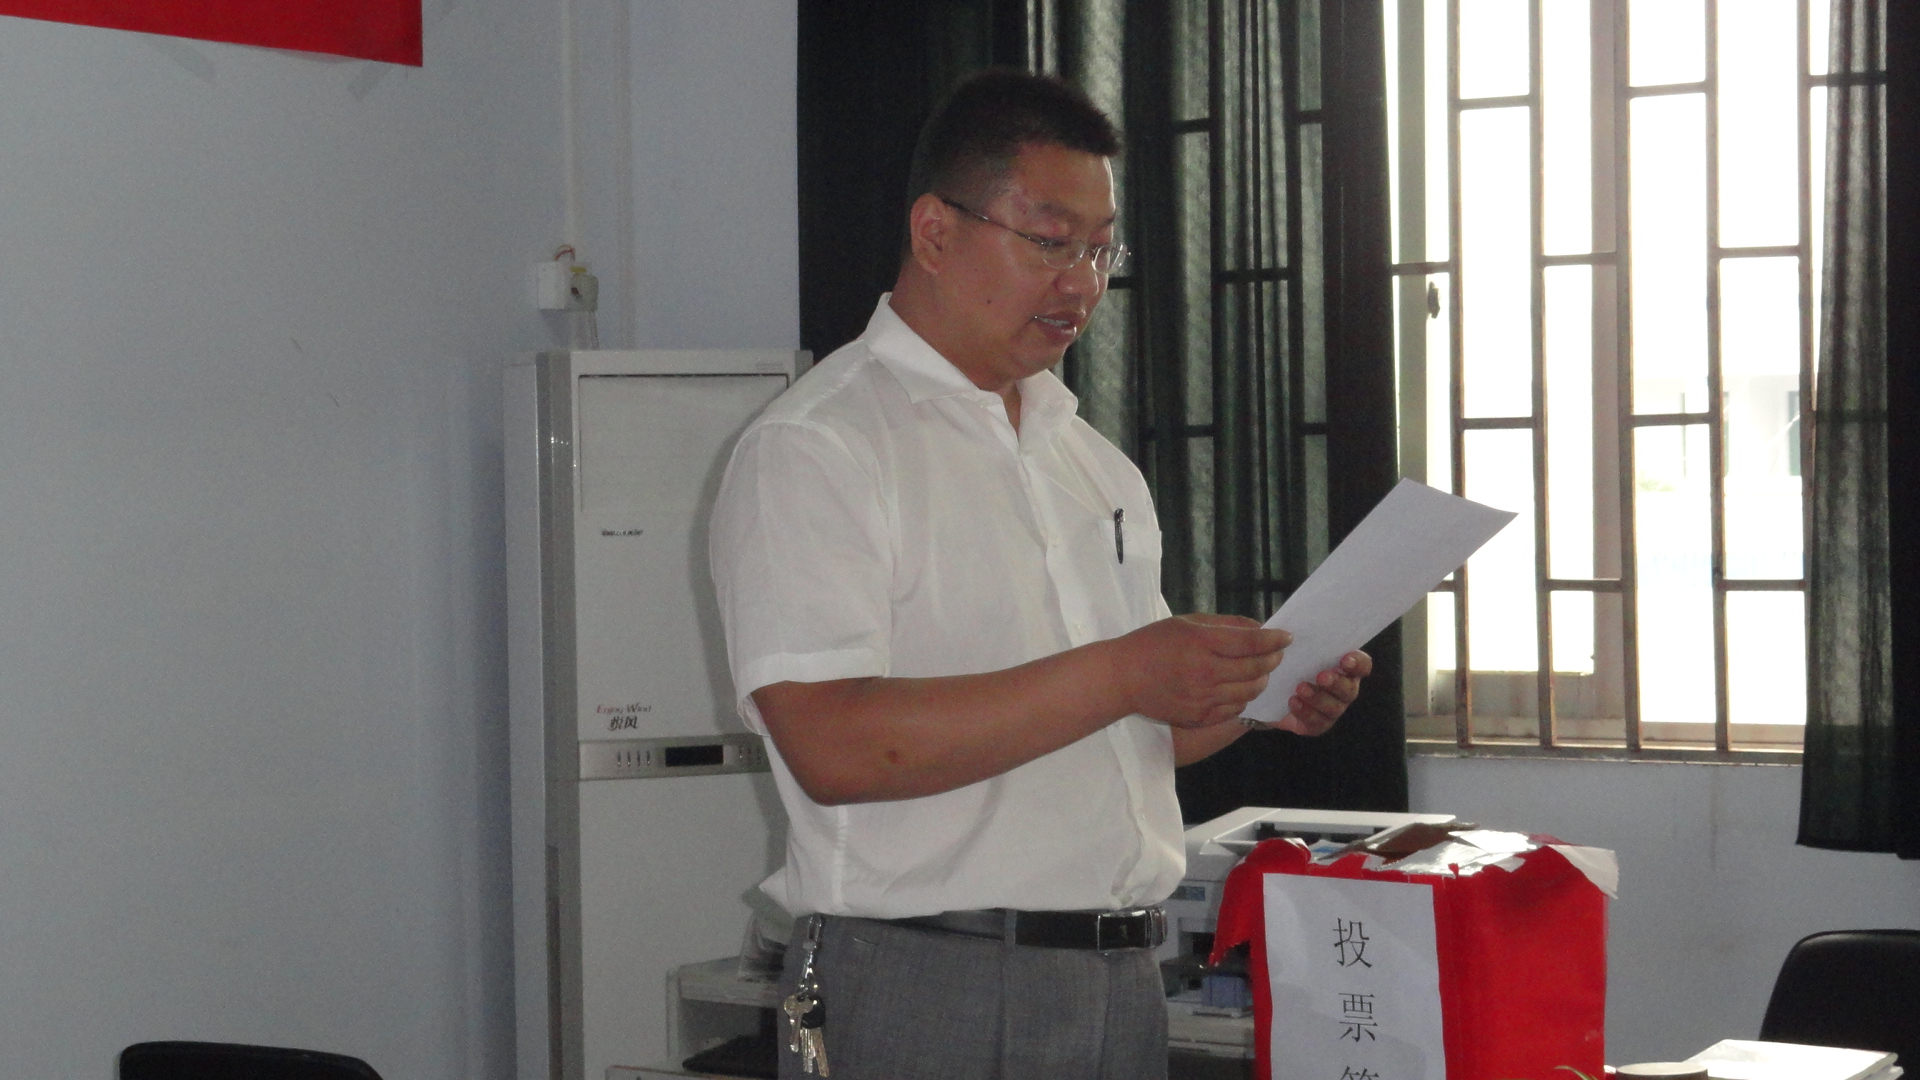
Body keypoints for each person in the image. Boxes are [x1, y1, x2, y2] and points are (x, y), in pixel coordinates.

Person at [709, 68, 1370, 1080]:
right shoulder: (818, 446)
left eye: (1102, 250)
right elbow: (834, 746)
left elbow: (1129, 737)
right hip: (933, 974)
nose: (1083, 284)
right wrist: (1125, 670)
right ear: (936, 232)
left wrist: (1258, 695)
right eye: (1051, 242)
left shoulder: (1090, 464)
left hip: (1118, 979)